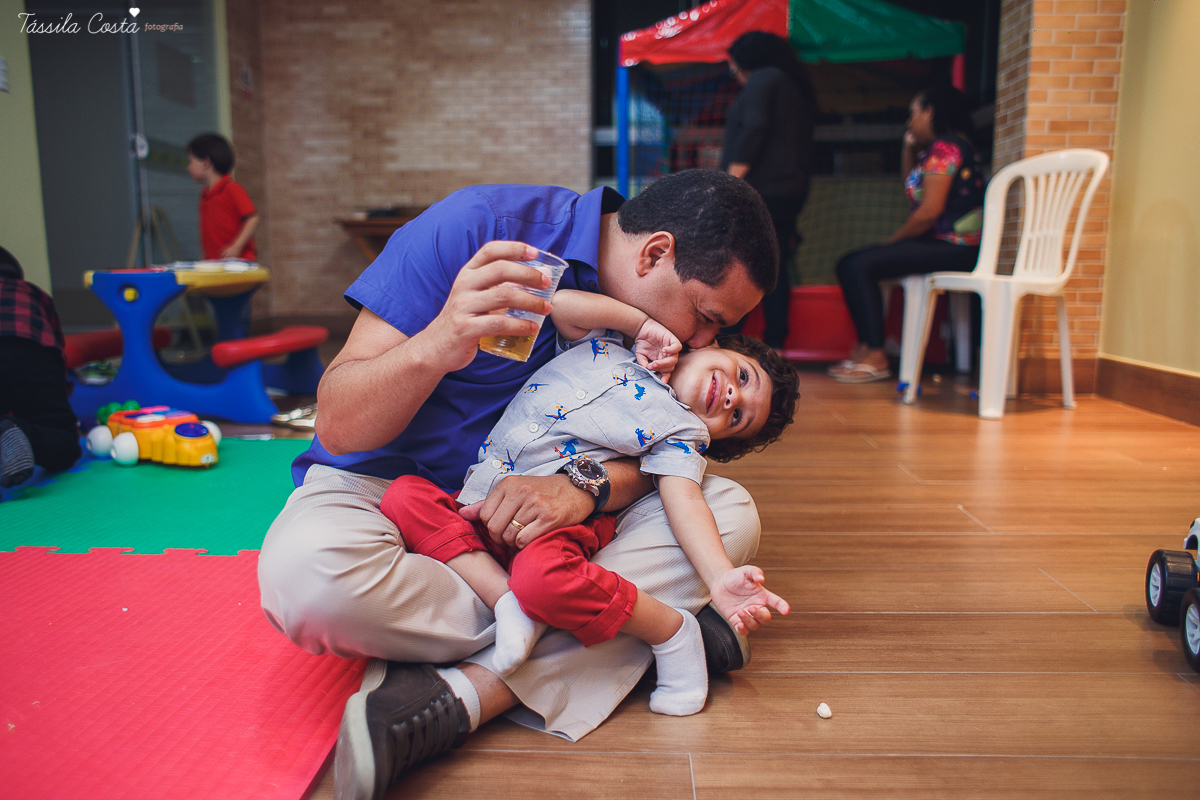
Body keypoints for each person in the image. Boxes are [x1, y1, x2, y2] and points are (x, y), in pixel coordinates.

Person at [256, 169, 780, 800]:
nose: (703, 342)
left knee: (731, 513)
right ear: (654, 254)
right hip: (395, 496)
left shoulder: (663, 353)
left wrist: (582, 485)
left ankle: (463, 692)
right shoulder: (483, 232)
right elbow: (339, 427)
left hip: (545, 532)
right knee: (306, 577)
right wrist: (439, 342)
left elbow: (665, 467)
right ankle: (642, 629)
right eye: (704, 317)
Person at [379, 287, 798, 719]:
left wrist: (721, 577)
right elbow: (561, 306)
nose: (732, 398)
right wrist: (642, 325)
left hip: (559, 527)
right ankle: (506, 600)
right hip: (480, 502)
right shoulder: (612, 344)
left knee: (543, 581)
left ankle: (671, 631)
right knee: (404, 494)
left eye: (737, 417)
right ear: (712, 344)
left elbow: (687, 502)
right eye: (743, 377)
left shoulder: (682, 435)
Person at [830, 84, 986, 383]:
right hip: (950, 245)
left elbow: (928, 212)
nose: (909, 121)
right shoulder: (942, 149)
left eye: (913, 113)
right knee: (852, 262)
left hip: (956, 246)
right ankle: (868, 349)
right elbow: (913, 189)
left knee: (857, 264)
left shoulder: (946, 148)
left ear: (930, 112)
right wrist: (908, 148)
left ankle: (875, 354)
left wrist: (890, 243)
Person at [720, 30, 817, 350]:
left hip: (762, 193)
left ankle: (724, 339)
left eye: (733, 63)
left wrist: (730, 181)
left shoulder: (763, 79)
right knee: (774, 265)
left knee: (741, 262)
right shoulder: (790, 85)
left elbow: (754, 127)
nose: (732, 70)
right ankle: (775, 342)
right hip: (789, 191)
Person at [0, 247, 81, 489]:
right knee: (60, 436)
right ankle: (21, 433)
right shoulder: (30, 293)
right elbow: (55, 352)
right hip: (27, 347)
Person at [186, 133, 259, 261]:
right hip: (217, 263)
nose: (188, 167)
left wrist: (236, 247)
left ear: (206, 163)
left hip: (238, 264)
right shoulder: (205, 195)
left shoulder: (231, 189)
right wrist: (206, 253)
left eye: (191, 161)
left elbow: (252, 218)